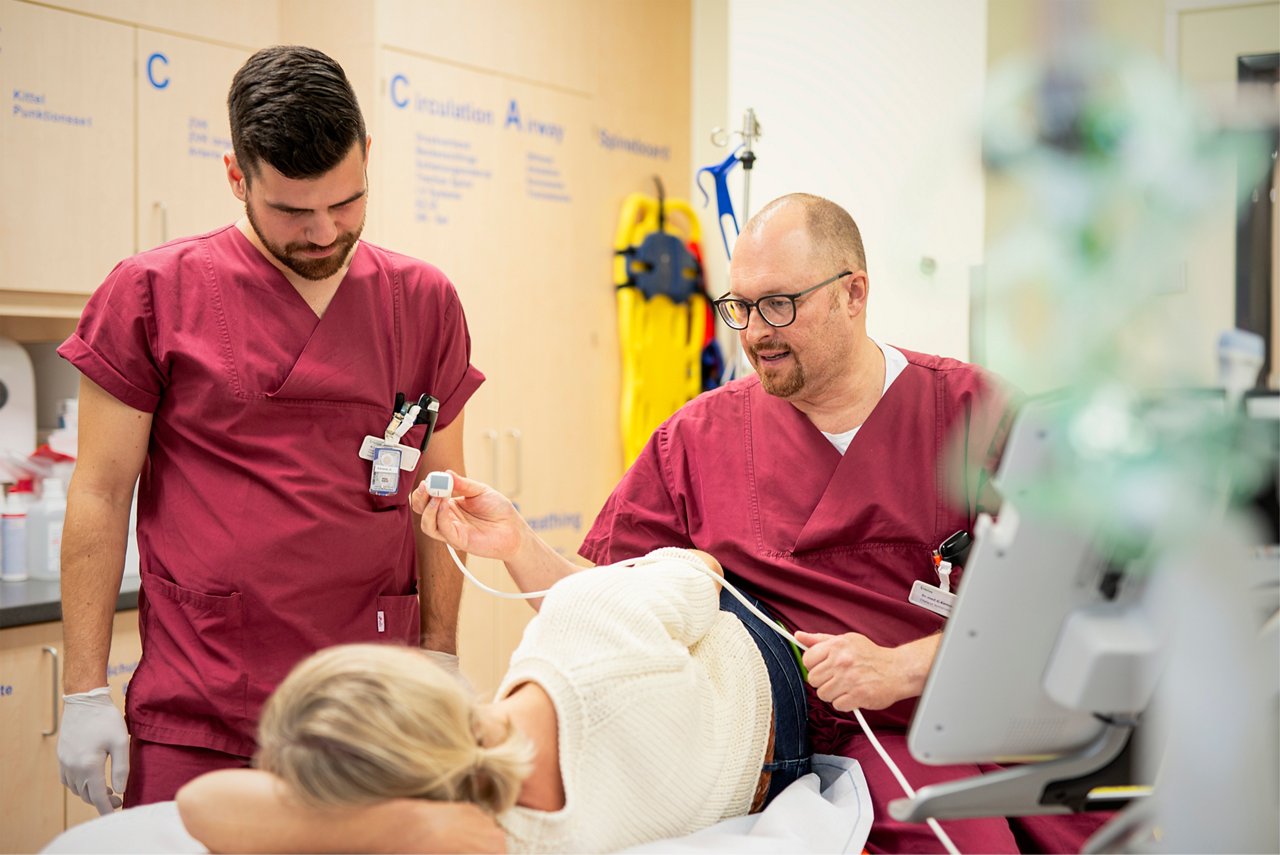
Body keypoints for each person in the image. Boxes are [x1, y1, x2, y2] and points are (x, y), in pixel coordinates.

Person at [578, 192, 1108, 852]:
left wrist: (904, 667)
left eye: (779, 303)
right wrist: (512, 545)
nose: (754, 331)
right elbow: (599, 599)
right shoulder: (696, 440)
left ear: (854, 294)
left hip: (993, 717)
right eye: (740, 305)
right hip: (827, 741)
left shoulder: (979, 415)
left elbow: (1069, 604)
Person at [55, 44, 484, 813]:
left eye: (346, 202)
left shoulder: (424, 302)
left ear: (367, 161)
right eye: (292, 210)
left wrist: (442, 658)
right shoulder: (151, 294)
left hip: (374, 707)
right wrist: (85, 689)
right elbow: (99, 491)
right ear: (236, 176)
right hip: (205, 706)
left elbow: (439, 497)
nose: (324, 232)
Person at [175, 476, 811, 853]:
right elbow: (703, 575)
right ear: (417, 686)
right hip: (771, 680)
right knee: (671, 577)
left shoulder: (502, 838)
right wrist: (627, 583)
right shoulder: (577, 628)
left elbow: (202, 804)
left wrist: (394, 815)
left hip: (751, 792)